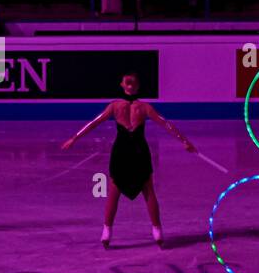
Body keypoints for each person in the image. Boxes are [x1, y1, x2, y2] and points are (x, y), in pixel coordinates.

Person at [62, 72, 199, 248]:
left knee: (134, 190)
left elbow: (94, 123)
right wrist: (184, 141)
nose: (129, 81)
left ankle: (115, 231)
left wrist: (74, 138)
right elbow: (166, 124)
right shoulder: (139, 107)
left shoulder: (121, 107)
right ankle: (142, 231)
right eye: (128, 80)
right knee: (127, 190)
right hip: (134, 152)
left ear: (127, 85)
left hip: (126, 152)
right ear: (123, 84)